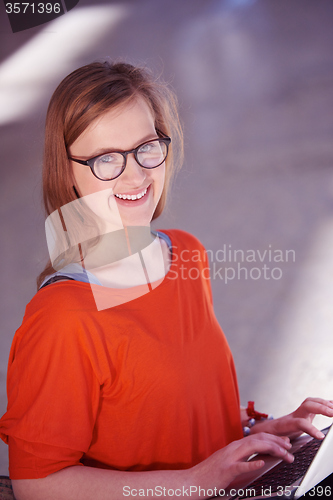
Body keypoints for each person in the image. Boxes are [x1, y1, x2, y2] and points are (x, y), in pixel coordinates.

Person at [0, 61, 332, 500]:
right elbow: (35, 484)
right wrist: (195, 482)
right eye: (105, 159)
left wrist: (254, 434)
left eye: (146, 147)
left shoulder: (186, 252)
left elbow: (165, 405)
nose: (135, 176)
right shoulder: (62, 319)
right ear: (67, 171)